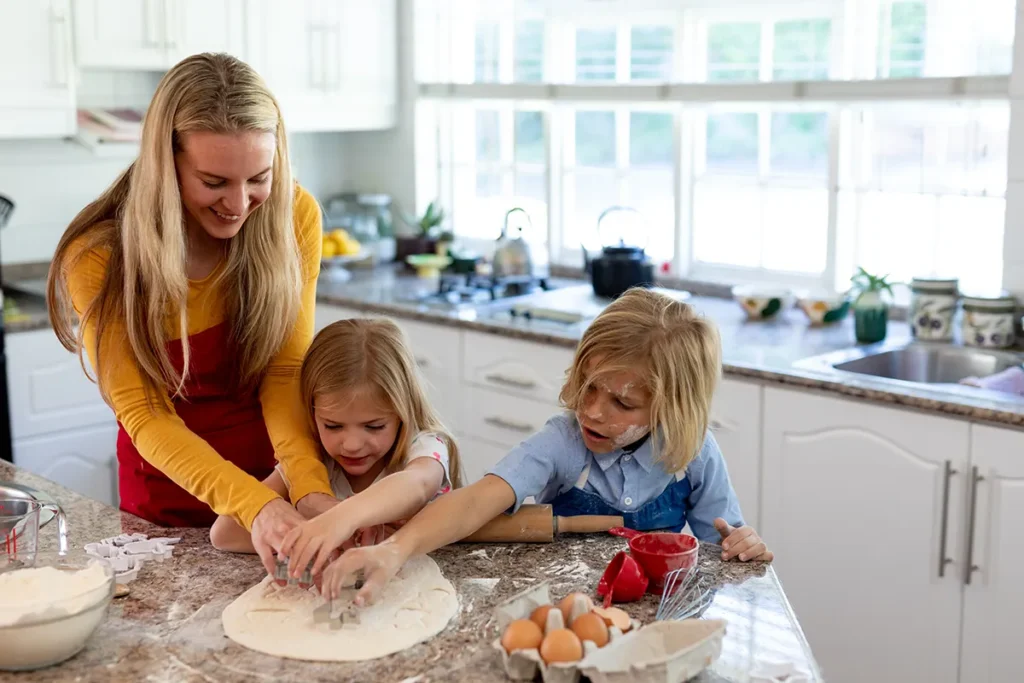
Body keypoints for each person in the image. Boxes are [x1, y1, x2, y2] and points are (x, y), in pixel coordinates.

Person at [45, 53, 337, 575]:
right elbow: (145, 414)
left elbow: (285, 370)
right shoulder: (101, 257)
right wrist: (253, 506)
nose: (240, 202)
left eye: (258, 178)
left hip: (276, 474)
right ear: (166, 161)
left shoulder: (294, 215)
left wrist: (308, 485)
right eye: (214, 181)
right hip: (166, 496)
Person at [312, 288, 773, 603]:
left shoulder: (694, 455)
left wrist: (743, 544)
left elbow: (720, 550)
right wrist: (393, 551)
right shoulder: (564, 441)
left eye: (622, 402)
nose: (593, 411)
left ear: (674, 408)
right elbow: (475, 502)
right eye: (588, 386)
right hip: (565, 608)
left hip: (658, 617)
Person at [210, 318, 461, 577]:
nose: (352, 445)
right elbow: (225, 534)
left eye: (374, 426)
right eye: (333, 426)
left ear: (402, 413)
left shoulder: (424, 447)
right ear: (311, 412)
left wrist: (342, 520)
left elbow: (417, 484)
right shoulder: (308, 461)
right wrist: (319, 535)